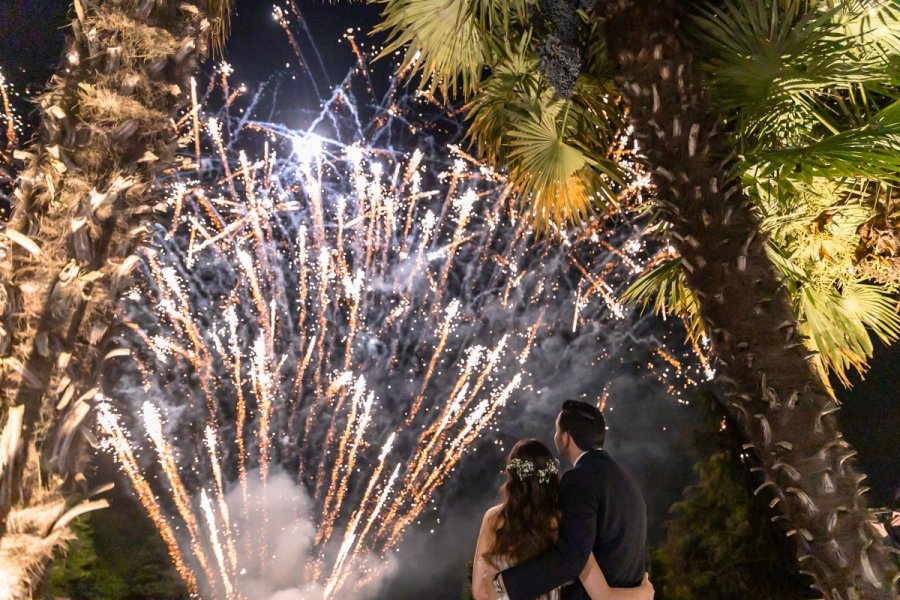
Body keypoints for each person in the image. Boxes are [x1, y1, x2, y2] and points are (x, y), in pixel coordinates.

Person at [493, 400, 649, 600]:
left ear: (566, 438)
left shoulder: (579, 479)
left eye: (557, 431)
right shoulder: (629, 482)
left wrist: (504, 583)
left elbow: (571, 558)